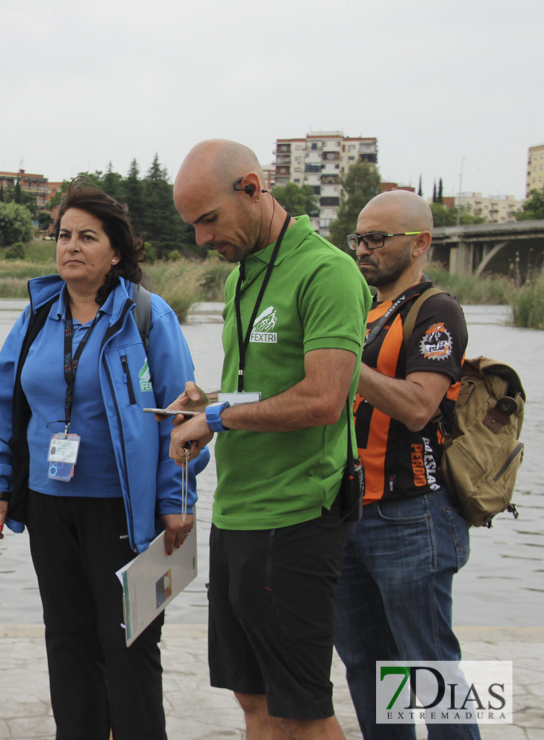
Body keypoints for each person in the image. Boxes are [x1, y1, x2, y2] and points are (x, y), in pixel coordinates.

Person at [0, 182, 207, 740]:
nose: (70, 246)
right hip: (51, 511)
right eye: (62, 235)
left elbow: (186, 418)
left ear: (116, 252)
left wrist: (178, 499)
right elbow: (6, 407)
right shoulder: (36, 315)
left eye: (87, 236)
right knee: (68, 641)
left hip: (126, 513)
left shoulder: (150, 318)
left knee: (129, 643)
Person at [168, 139, 369, 740]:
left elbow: (325, 397)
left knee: (302, 713)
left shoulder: (327, 271)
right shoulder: (239, 280)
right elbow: (259, 388)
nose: (202, 240)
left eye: (209, 220)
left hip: (298, 517)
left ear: (253, 189)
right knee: (254, 703)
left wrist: (221, 420)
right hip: (237, 513)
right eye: (192, 225)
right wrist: (205, 406)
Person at [335, 190, 478, 739]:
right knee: (369, 672)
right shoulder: (361, 307)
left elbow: (420, 407)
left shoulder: (436, 309)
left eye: (377, 238)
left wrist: (339, 358)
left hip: (412, 514)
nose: (363, 249)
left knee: (431, 671)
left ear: (420, 243)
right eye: (358, 238)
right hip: (349, 510)